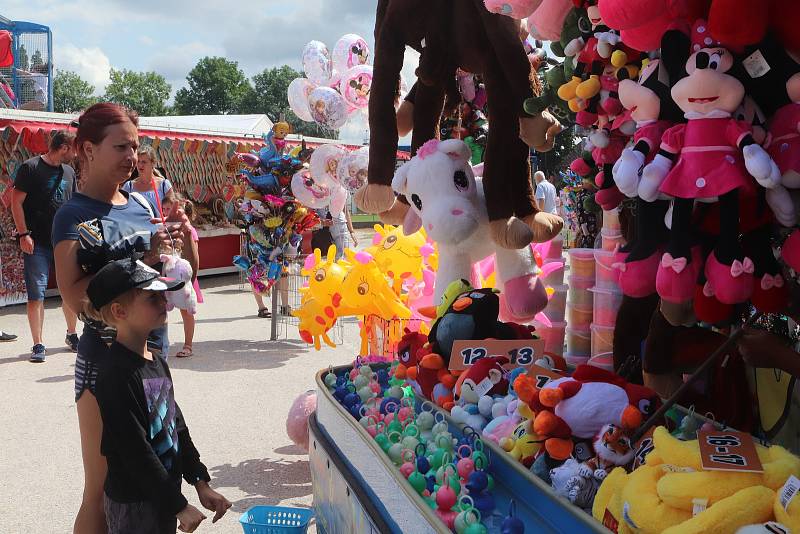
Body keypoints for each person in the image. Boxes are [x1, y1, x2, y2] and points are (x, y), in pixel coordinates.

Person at [52, 103, 195, 534]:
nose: (131, 156)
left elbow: (166, 274)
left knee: (150, 472)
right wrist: (138, 263)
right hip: (106, 363)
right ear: (88, 149)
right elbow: (75, 293)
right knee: (101, 491)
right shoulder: (75, 215)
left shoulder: (137, 203)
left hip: (153, 352)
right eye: (121, 146)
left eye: (135, 146)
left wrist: (174, 246)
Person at [85, 258, 230, 533]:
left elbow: (175, 422)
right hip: (135, 502)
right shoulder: (116, 374)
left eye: (162, 296)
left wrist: (199, 479)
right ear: (119, 311)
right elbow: (134, 450)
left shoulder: (156, 359)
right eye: (153, 299)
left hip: (160, 494)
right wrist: (177, 505)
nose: (164, 303)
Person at [11, 129, 79, 361]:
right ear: (64, 148)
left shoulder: (69, 172)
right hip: (36, 242)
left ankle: (72, 334)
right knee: (36, 295)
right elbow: (15, 202)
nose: (76, 154)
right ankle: (38, 344)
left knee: (69, 292)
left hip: (64, 242)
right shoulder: (30, 168)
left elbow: (74, 205)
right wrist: (23, 234)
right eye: (74, 149)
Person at [163, 195, 201, 359]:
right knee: (160, 310)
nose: (165, 212)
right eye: (163, 209)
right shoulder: (162, 227)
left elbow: (194, 257)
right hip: (165, 274)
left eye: (168, 209)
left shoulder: (189, 229)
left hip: (183, 276)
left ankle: (188, 345)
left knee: (186, 311)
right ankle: (160, 343)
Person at [121, 145, 175, 217]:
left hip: (159, 227)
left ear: (153, 163)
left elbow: (173, 212)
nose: (140, 165)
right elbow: (122, 211)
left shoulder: (164, 185)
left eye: (144, 162)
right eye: (138, 161)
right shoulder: (129, 186)